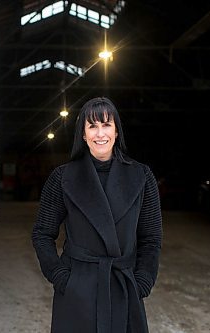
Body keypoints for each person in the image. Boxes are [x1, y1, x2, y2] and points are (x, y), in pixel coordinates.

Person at [32, 97, 162, 333]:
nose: (100, 133)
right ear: (83, 134)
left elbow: (151, 239)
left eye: (106, 125)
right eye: (92, 126)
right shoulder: (62, 177)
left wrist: (142, 281)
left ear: (117, 131)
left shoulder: (142, 176)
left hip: (124, 288)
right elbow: (42, 233)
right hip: (77, 291)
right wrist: (61, 278)